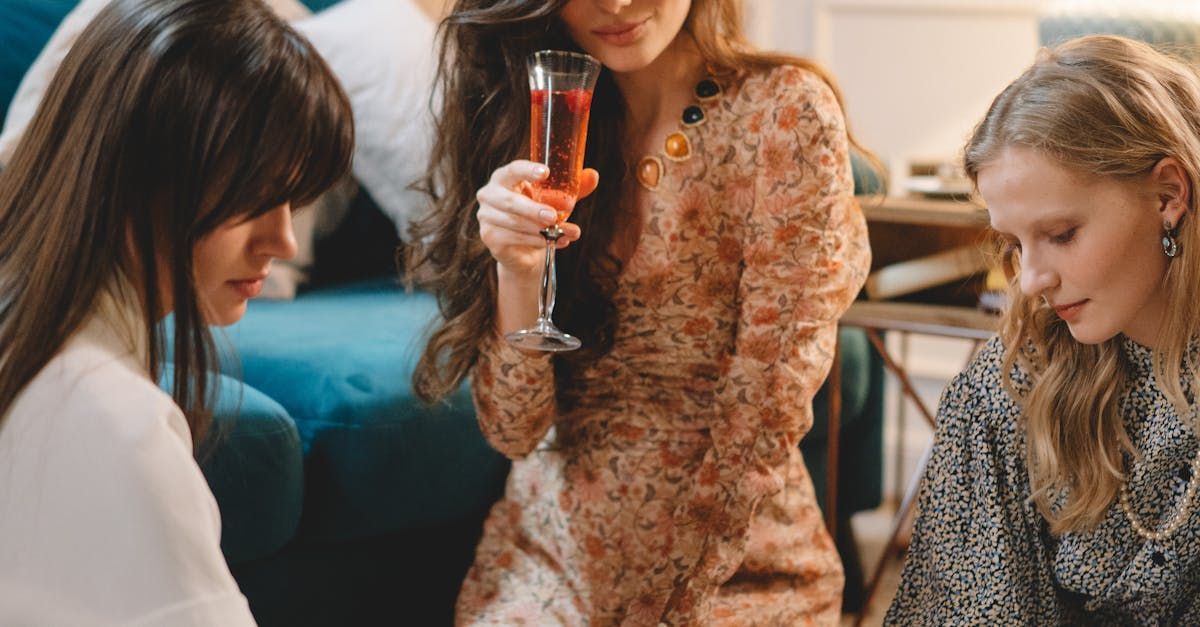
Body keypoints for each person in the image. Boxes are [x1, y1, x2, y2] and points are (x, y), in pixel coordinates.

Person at [409, 0, 871, 623]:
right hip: (555, 562)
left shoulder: (784, 114)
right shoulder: (523, 116)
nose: (618, 3)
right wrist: (516, 270)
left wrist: (669, 604)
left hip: (735, 567)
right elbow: (515, 430)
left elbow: (766, 409)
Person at [0, 0, 353, 624]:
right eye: (255, 199)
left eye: (293, 202)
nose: (284, 243)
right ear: (137, 175)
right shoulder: (116, 424)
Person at [887, 35, 1200, 624]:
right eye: (1013, 243)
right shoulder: (1006, 390)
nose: (1030, 280)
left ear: (1168, 194)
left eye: (1060, 234)